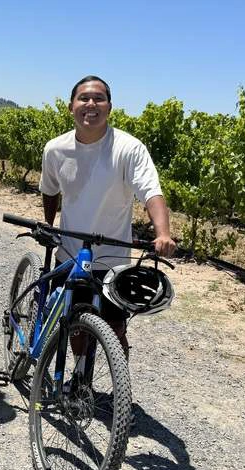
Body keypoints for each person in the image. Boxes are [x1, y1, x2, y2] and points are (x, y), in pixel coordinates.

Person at [39, 75, 177, 355]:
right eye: (84, 98)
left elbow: (151, 191)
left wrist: (163, 234)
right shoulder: (55, 149)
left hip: (114, 260)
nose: (91, 104)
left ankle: (119, 389)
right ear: (70, 106)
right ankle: (79, 383)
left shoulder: (128, 148)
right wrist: (50, 224)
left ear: (109, 107)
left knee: (115, 328)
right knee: (75, 327)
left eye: (99, 98)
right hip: (70, 254)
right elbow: (49, 189)